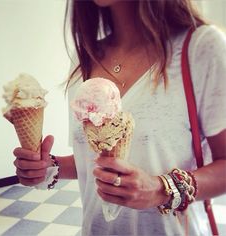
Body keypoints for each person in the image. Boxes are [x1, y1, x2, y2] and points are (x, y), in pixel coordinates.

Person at [13, 0, 226, 235]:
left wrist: (160, 189)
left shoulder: (201, 47)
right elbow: (92, 160)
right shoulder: (84, 57)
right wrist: (50, 167)